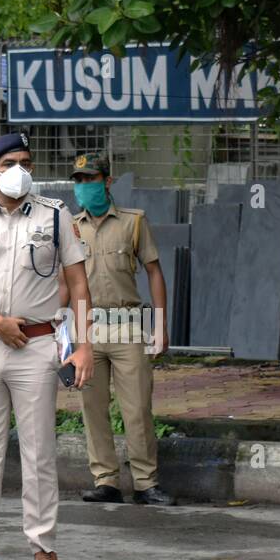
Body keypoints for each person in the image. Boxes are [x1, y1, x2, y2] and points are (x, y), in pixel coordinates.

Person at [0, 132, 94, 560]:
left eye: (26, 161)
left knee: (39, 453)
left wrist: (84, 343)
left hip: (36, 346)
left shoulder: (55, 215)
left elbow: (80, 284)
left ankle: (44, 547)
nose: (20, 170)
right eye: (10, 161)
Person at [64, 151, 175, 506]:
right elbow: (64, 283)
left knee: (137, 408)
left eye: (91, 180)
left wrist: (160, 324)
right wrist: (60, 331)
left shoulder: (133, 223)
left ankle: (146, 483)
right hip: (87, 331)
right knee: (92, 408)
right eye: (79, 181)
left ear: (108, 182)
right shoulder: (71, 227)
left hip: (129, 327)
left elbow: (155, 272)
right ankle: (105, 480)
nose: (84, 187)